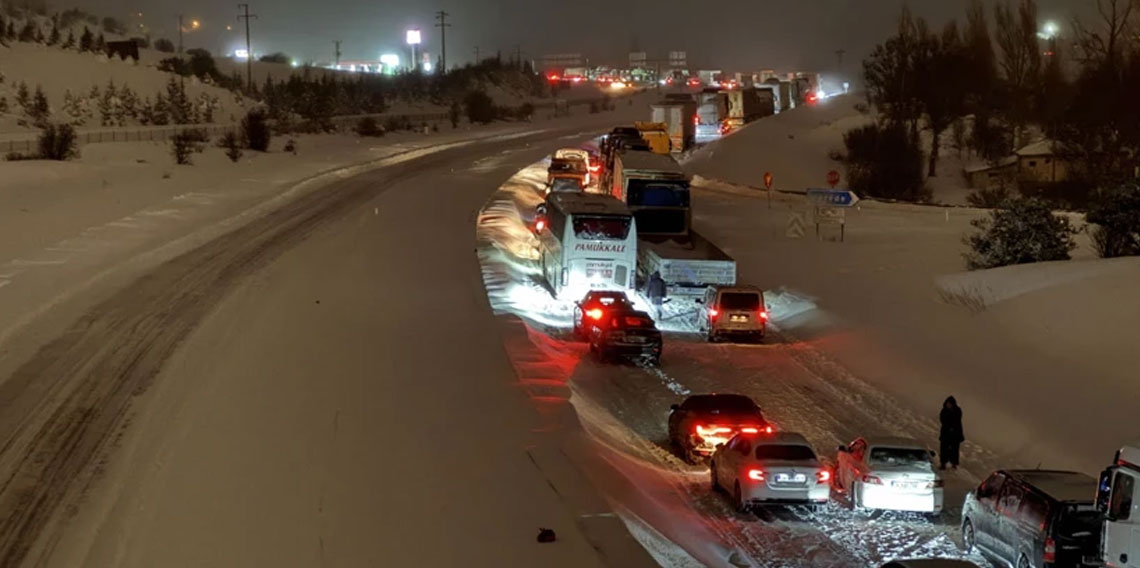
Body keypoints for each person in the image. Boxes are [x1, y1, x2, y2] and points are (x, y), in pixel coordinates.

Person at [939, 396, 964, 470]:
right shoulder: (944, 410)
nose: (948, 405)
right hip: (946, 433)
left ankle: (954, 463)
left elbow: (957, 420)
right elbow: (942, 419)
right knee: (944, 449)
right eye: (947, 404)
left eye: (949, 404)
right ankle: (943, 463)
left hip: (955, 434)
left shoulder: (957, 410)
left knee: (954, 449)